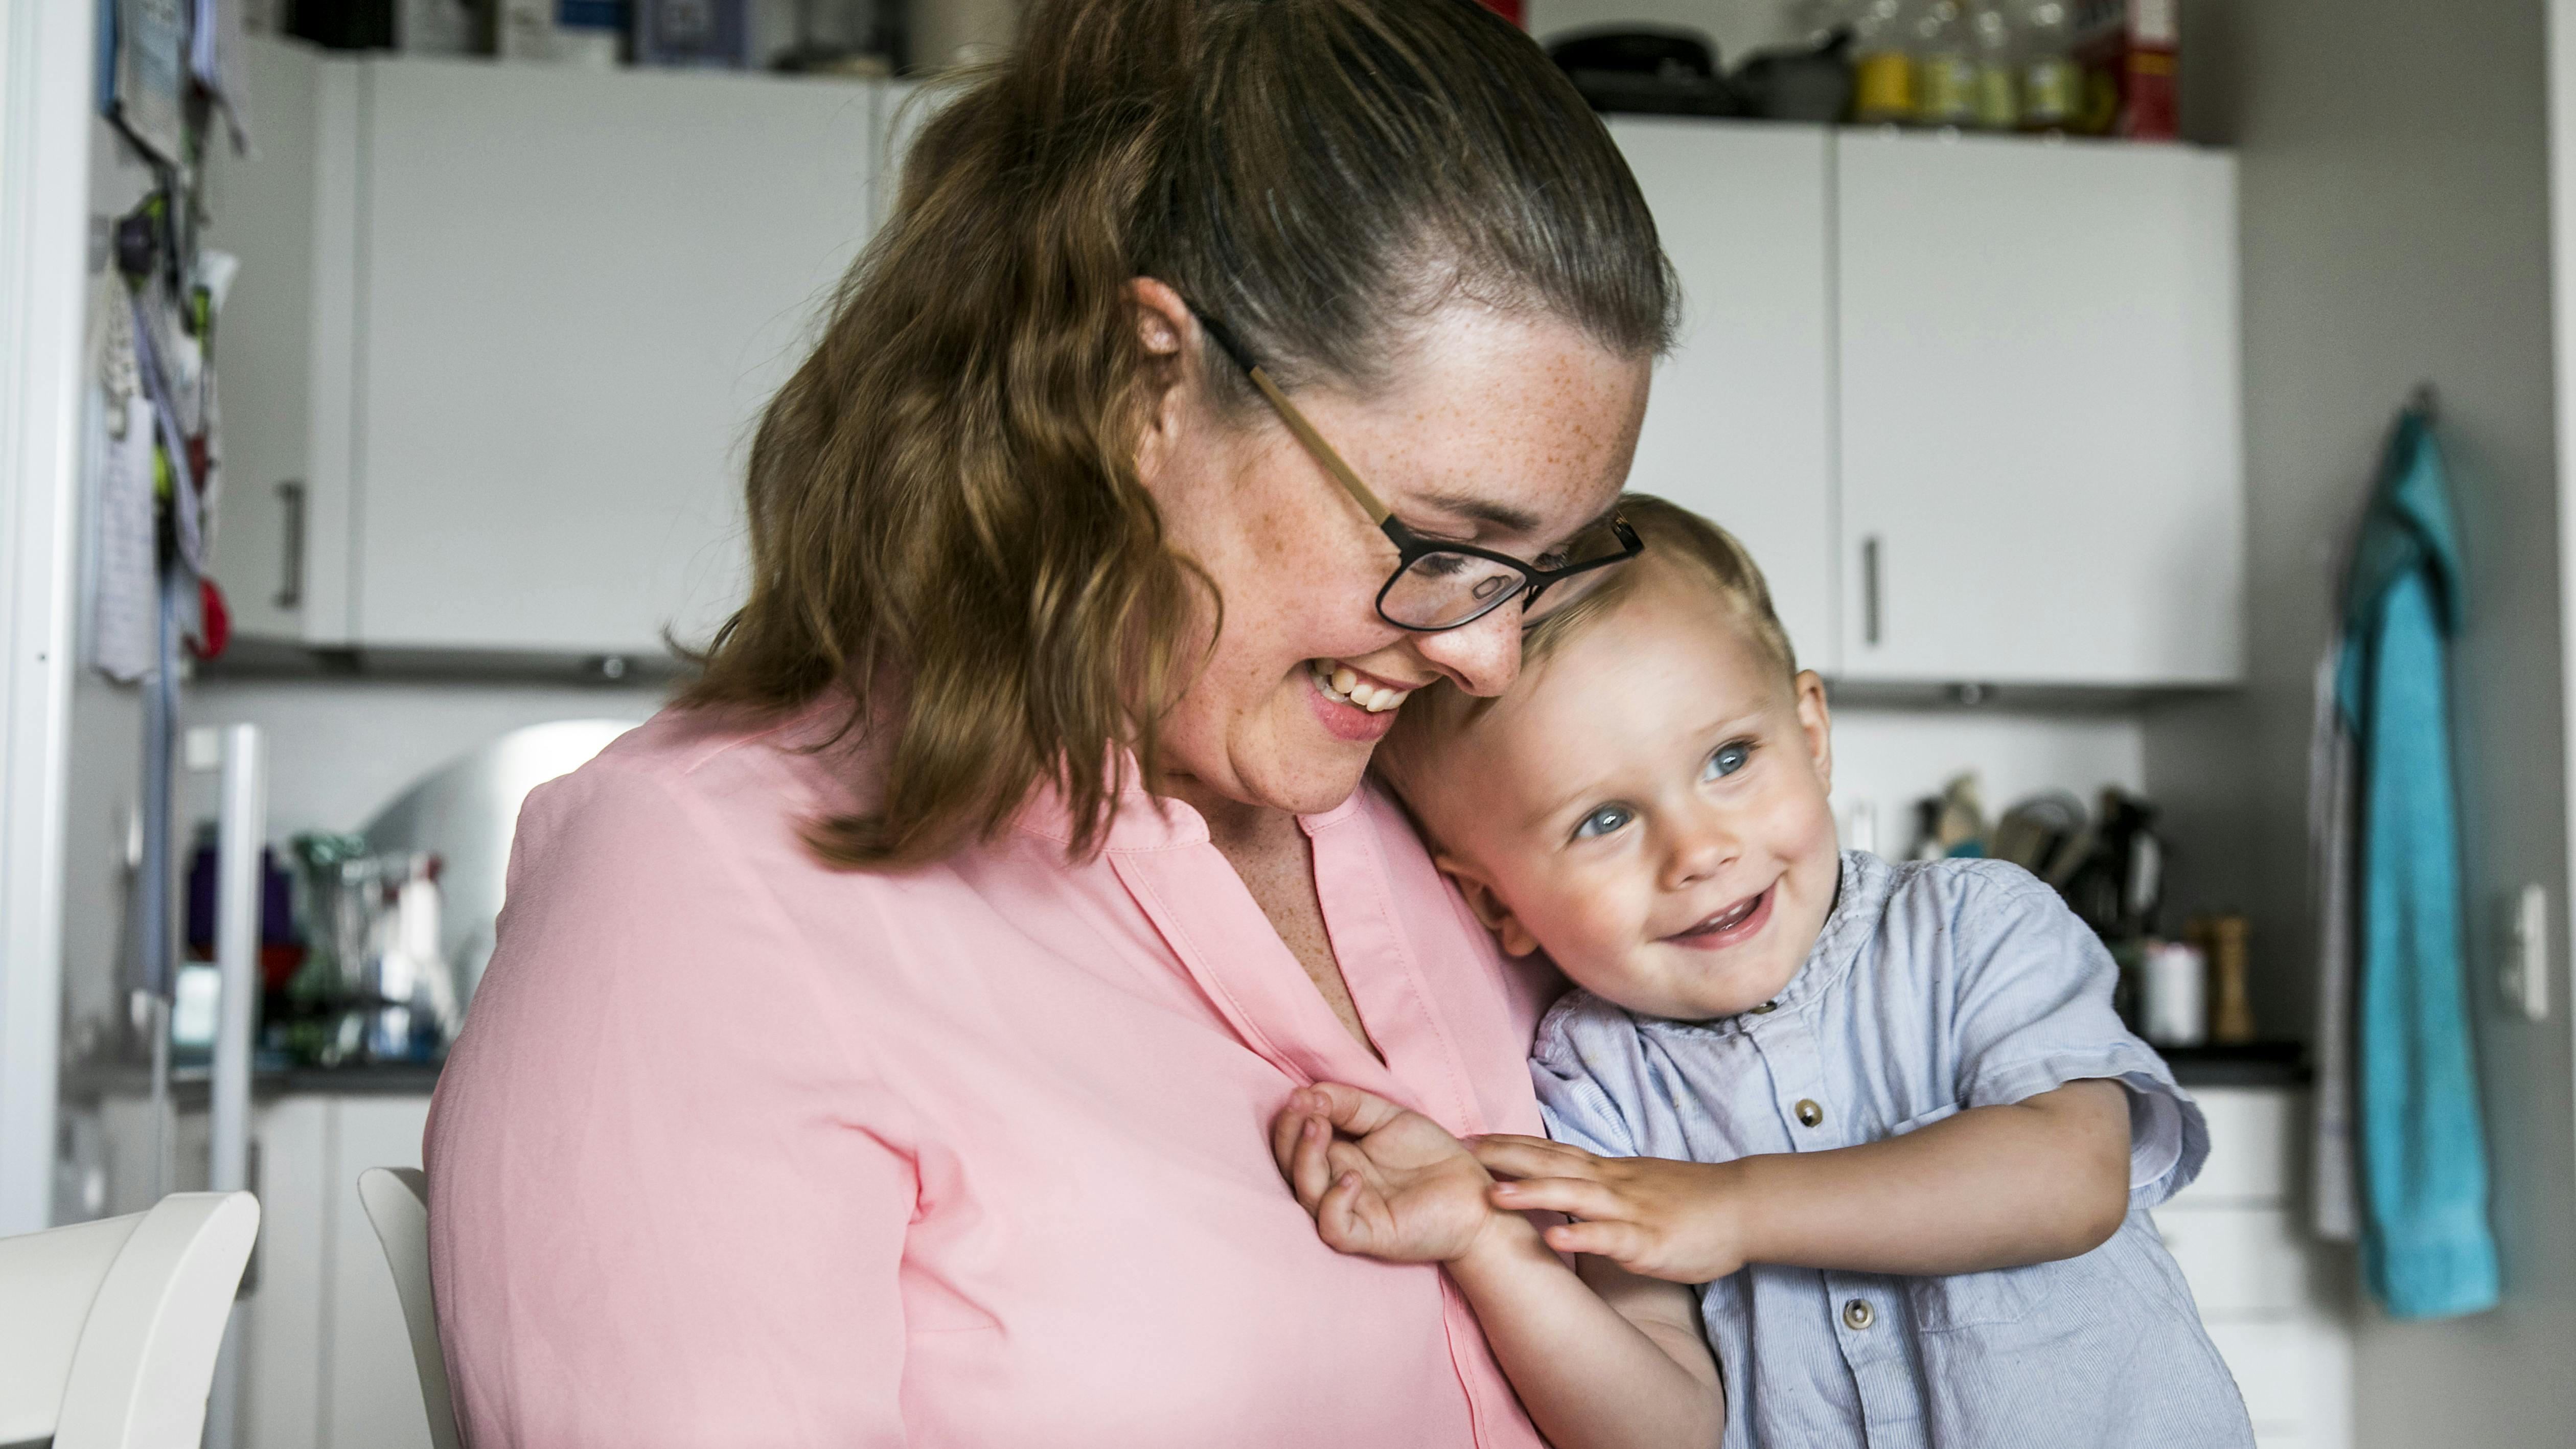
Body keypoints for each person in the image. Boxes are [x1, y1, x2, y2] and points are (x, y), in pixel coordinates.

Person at [421, 0, 1675, 1441]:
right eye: (1444, 541)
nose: (1491, 657)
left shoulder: (1445, 846)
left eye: (1545, 566)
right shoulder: (703, 893)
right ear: (1145, 381)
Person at [1272, 496, 2257, 1449]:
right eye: (1604, 820)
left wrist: (1733, 1208)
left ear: (1812, 736)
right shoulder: (1595, 1081)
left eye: (1731, 759)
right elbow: (1667, 1430)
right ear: (1497, 903)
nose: (1700, 851)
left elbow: (2073, 1178)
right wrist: (1488, 1246)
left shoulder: (1973, 927)